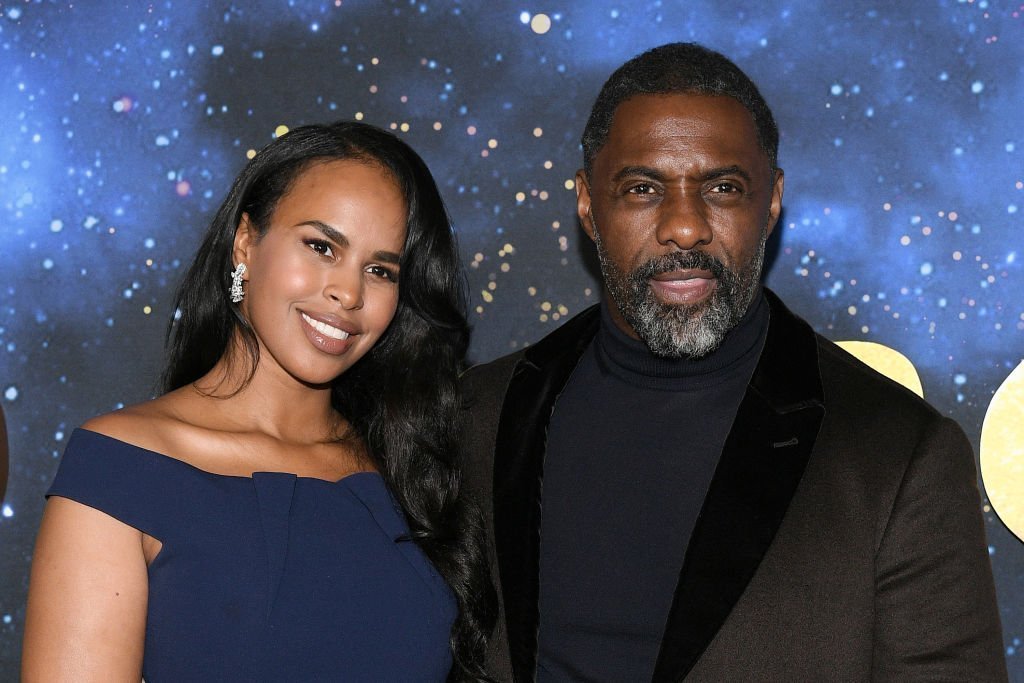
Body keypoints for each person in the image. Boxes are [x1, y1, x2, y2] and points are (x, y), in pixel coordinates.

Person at [459, 43, 1007, 682]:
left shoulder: (898, 457)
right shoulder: (477, 418)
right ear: (587, 203)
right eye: (642, 188)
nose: (685, 227)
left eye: (721, 187)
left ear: (771, 200)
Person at [24, 121, 494, 681]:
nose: (349, 294)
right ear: (245, 242)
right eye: (321, 246)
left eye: (380, 270)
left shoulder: (408, 470)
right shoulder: (120, 468)